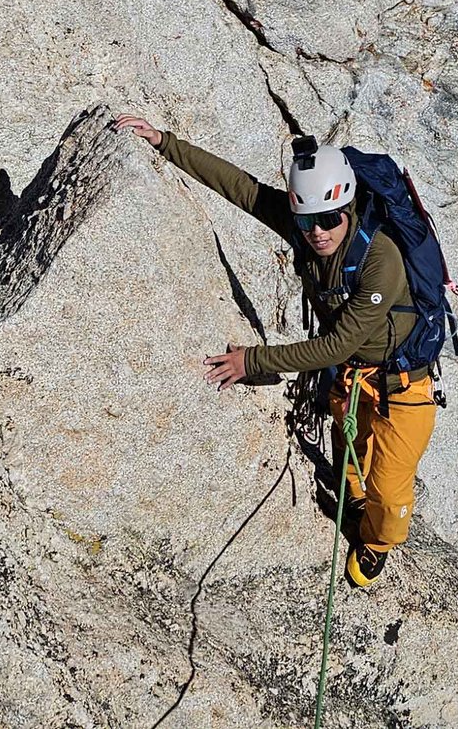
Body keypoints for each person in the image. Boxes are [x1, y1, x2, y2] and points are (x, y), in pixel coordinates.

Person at [112, 114, 436, 590]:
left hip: (401, 384)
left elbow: (339, 342)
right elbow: (241, 189)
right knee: (349, 460)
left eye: (330, 220)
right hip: (352, 379)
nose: (318, 233)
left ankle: (377, 544)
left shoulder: (380, 260)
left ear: (349, 208)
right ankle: (352, 503)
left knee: (388, 497)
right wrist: (164, 143)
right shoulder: (305, 225)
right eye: (308, 221)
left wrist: (253, 362)